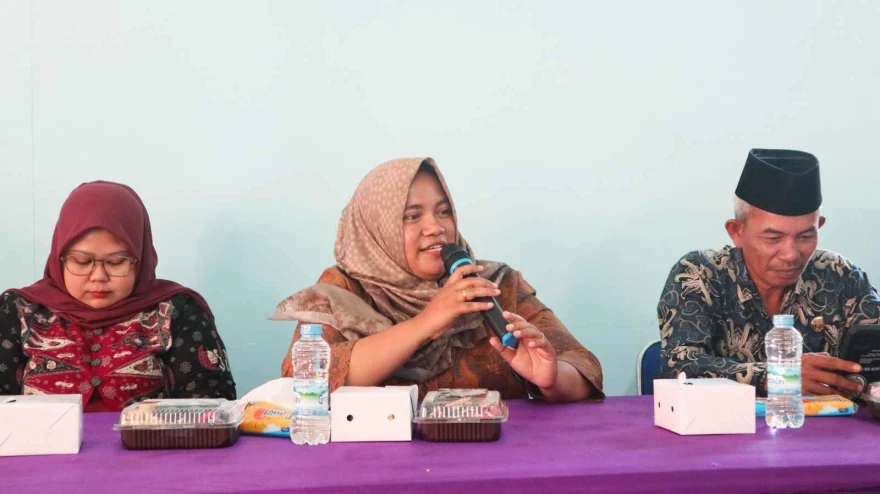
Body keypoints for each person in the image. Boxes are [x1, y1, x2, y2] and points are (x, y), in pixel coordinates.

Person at [274, 158, 603, 402]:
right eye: (412, 216)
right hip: (377, 466)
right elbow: (303, 382)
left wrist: (552, 380)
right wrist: (426, 322)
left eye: (444, 212)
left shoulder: (493, 284)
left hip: (492, 461)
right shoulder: (342, 292)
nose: (436, 227)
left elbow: (584, 366)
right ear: (376, 227)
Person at [658, 149, 879, 396]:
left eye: (805, 236)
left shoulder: (840, 275)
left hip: (830, 420)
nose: (791, 254)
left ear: (820, 226)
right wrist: (777, 376)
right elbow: (679, 366)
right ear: (737, 231)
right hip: (727, 420)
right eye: (773, 238)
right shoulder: (700, 274)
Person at [0, 181, 236, 411]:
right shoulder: (18, 311)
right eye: (82, 261)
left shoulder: (178, 311)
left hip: (150, 440)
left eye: (116, 262)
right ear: (59, 257)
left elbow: (211, 408)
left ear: (140, 259)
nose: (98, 276)